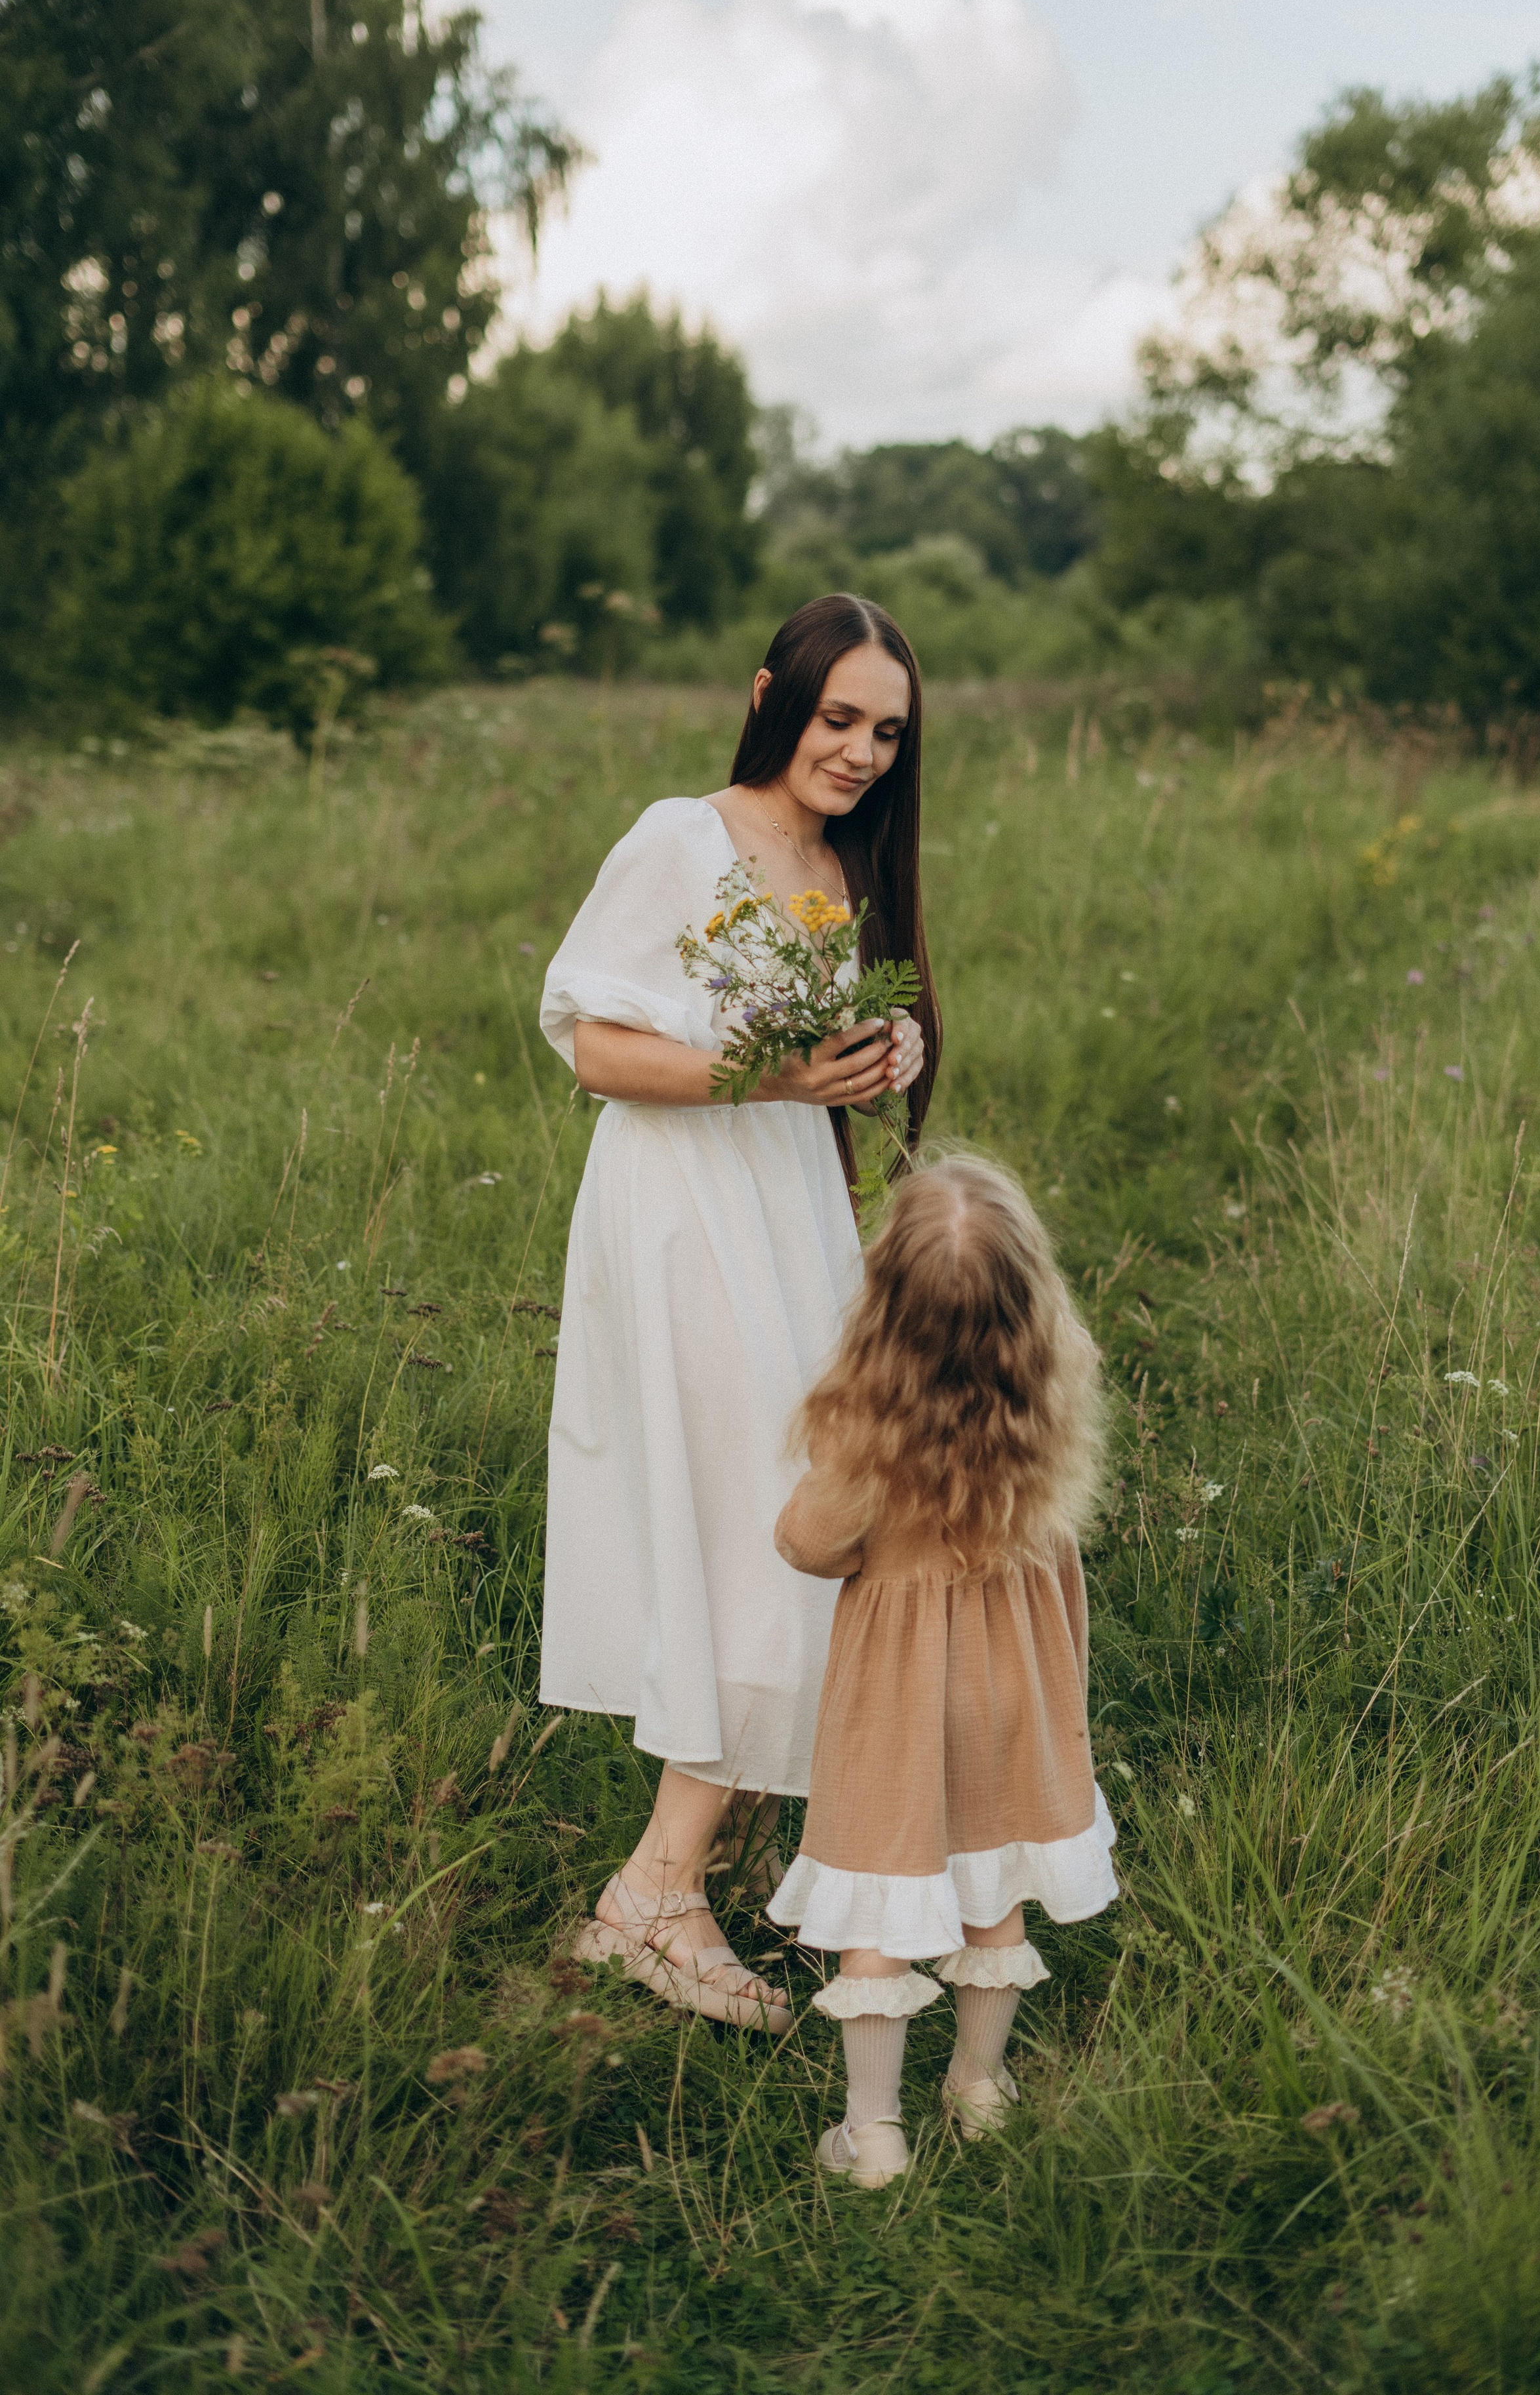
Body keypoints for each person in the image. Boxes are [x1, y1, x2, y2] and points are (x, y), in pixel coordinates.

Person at [538, 595, 940, 2032]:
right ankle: (658, 1895)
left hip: (785, 1206)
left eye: (885, 732)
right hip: (680, 1211)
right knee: (772, 1521)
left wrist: (882, 1048)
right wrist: (771, 1083)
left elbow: (809, 1049)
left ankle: (714, 1860)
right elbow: (589, 1041)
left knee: (802, 1511)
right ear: (774, 696)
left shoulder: (837, 861)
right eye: (839, 717)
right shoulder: (680, 837)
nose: (858, 751)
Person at [766, 1155, 1116, 2183]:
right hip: (1012, 1695)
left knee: (880, 1906)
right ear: (1032, 1308)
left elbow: (807, 1542)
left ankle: (873, 2132)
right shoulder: (1041, 1431)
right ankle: (978, 2085)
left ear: (884, 1313)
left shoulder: (872, 1445)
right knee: (990, 1883)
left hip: (899, 1705)